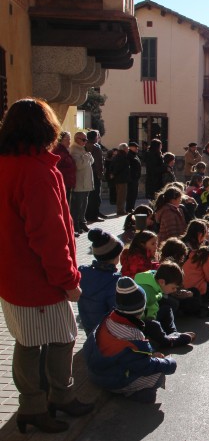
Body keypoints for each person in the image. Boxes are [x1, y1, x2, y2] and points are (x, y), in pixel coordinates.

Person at [0, 98, 94, 433]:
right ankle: (46, 402)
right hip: (36, 278)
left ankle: (44, 402)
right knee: (55, 338)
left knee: (31, 341)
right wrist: (68, 279)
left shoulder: (9, 164)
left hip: (13, 274)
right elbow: (48, 235)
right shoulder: (35, 171)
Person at [83, 277, 177, 404]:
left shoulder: (109, 318)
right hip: (110, 378)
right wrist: (168, 363)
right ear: (141, 309)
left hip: (95, 371)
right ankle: (130, 392)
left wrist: (150, 355)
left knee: (139, 361)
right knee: (158, 376)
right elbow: (145, 366)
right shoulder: (134, 334)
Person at [134, 262, 195, 348]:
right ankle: (168, 342)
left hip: (147, 316)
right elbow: (137, 314)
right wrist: (151, 320)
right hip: (137, 324)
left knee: (167, 309)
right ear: (162, 282)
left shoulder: (153, 280)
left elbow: (154, 303)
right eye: (173, 288)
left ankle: (173, 333)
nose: (174, 290)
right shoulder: (146, 292)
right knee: (154, 325)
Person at [78, 229, 124, 336]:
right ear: (115, 257)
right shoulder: (114, 280)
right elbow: (116, 309)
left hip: (88, 327)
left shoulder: (83, 272)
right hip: (107, 331)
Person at [70, 131, 94, 235]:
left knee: (84, 204)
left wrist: (88, 156)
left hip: (86, 182)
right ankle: (76, 224)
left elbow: (91, 161)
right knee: (77, 206)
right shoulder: (74, 150)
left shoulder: (83, 149)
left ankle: (82, 222)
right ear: (77, 139)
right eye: (83, 140)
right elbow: (79, 166)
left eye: (86, 140)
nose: (85, 142)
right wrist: (87, 157)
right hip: (80, 182)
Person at [85, 130, 106, 223]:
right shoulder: (95, 147)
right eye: (98, 136)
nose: (99, 137)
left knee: (91, 196)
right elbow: (98, 162)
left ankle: (93, 213)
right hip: (95, 173)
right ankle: (93, 215)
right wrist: (100, 174)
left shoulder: (86, 145)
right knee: (95, 196)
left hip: (89, 172)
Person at [52, 131, 76, 204]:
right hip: (63, 181)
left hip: (67, 181)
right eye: (67, 139)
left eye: (70, 139)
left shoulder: (65, 151)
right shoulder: (59, 152)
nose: (69, 141)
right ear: (61, 140)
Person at [110, 143, 130, 215]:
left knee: (120, 195)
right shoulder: (122, 156)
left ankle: (120, 209)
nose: (128, 149)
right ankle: (120, 210)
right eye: (127, 148)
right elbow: (119, 167)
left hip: (119, 178)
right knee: (121, 195)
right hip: (122, 178)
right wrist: (114, 173)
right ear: (124, 149)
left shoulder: (117, 156)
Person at [126, 142, 142, 213]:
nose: (137, 149)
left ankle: (131, 207)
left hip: (135, 178)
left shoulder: (134, 155)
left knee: (134, 194)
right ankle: (129, 208)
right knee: (131, 194)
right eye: (135, 147)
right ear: (131, 147)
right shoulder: (129, 155)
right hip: (132, 178)